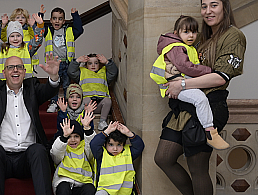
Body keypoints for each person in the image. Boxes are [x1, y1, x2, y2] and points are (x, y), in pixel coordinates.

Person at [154, 0, 246, 194]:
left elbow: (221, 77)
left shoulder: (234, 35)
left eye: (214, 5)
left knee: (197, 169)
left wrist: (182, 84)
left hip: (209, 106)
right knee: (163, 158)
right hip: (184, 106)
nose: (208, 11)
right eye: (204, 6)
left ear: (225, 7)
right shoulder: (199, 37)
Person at [0, 54, 61, 195]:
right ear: (4, 72)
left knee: (39, 150)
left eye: (19, 67)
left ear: (24, 71)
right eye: (10, 67)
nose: (15, 70)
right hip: (1, 158)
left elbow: (48, 90)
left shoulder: (32, 87)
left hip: (26, 159)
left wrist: (54, 77)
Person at [150, 15, 228, 149]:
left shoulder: (186, 47)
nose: (191, 35)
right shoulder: (176, 47)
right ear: (176, 33)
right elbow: (186, 67)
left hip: (181, 83)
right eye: (186, 32)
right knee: (200, 99)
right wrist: (209, 71)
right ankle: (211, 133)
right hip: (173, 86)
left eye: (194, 32)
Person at [43, 6, 84, 113]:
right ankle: (53, 103)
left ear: (64, 21)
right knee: (54, 84)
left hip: (66, 63)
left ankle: (67, 104)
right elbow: (38, 30)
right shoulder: (48, 31)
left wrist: (75, 15)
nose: (57, 21)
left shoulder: (69, 31)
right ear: (51, 20)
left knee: (66, 85)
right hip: (54, 64)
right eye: (54, 18)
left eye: (60, 19)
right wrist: (40, 16)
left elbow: (79, 29)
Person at [0, 10, 45, 79]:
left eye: (18, 36)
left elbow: (37, 40)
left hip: (25, 82)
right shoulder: (3, 49)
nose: (15, 39)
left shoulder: (27, 48)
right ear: (8, 38)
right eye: (12, 36)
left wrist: (40, 25)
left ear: (22, 37)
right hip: (5, 83)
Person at [90, 122, 144, 195]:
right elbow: (94, 144)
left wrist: (128, 133)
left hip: (125, 192)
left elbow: (139, 146)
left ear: (124, 144)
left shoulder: (128, 152)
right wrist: (107, 131)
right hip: (105, 191)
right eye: (111, 145)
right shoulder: (101, 154)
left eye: (119, 145)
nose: (115, 149)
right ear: (104, 144)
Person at [68, 54, 118, 130]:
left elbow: (113, 72)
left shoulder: (103, 72)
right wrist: (77, 61)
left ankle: (102, 122)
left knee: (108, 101)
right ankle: (86, 120)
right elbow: (71, 71)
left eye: (96, 63)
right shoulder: (82, 72)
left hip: (100, 104)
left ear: (100, 64)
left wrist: (107, 62)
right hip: (87, 105)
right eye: (90, 63)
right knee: (86, 100)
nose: (93, 65)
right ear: (86, 65)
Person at [50, 118, 97, 195]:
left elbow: (91, 147)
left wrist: (88, 129)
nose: (72, 140)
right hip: (65, 180)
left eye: (76, 136)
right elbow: (55, 153)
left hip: (84, 182)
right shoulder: (63, 148)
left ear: (81, 137)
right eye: (69, 137)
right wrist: (64, 137)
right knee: (63, 188)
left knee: (90, 189)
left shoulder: (84, 147)